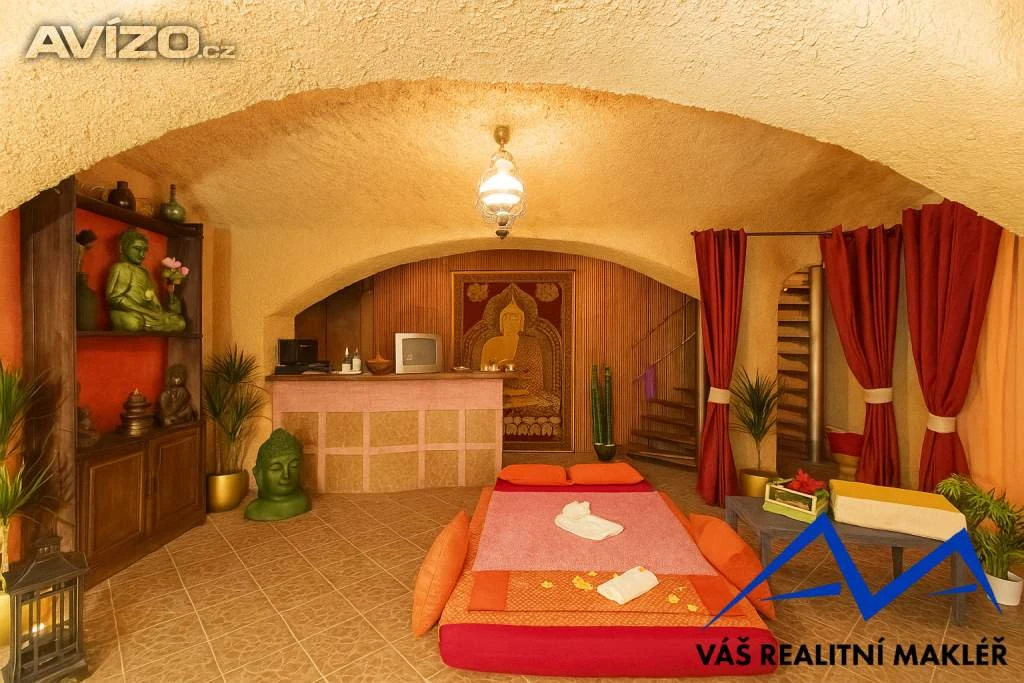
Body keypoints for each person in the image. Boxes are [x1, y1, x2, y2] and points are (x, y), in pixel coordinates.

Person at [479, 298, 559, 411]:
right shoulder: (491, 344)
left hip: (525, 392)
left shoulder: (531, 344)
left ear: (521, 322)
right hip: (498, 390)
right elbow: (484, 376)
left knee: (552, 401)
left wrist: (519, 390)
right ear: (501, 320)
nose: (510, 321)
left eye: (515, 317)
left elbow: (537, 380)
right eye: (507, 316)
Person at [106, 228, 186, 332]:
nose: (142, 254)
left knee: (179, 322)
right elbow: (115, 298)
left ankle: (151, 324)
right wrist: (147, 312)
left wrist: (162, 309)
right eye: (137, 249)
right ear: (123, 247)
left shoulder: (144, 272)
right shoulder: (122, 267)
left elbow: (151, 297)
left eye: (144, 250)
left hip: (147, 314)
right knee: (134, 323)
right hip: (130, 312)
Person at [245, 428, 311, 521]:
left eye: (294, 466)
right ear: (258, 474)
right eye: (276, 468)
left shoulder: (303, 501)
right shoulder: (254, 510)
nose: (286, 475)